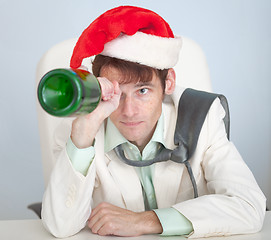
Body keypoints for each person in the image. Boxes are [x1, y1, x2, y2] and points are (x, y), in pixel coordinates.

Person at [41, 5, 266, 238]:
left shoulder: (203, 118)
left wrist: (144, 221)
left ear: (168, 83)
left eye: (142, 91)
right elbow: (60, 227)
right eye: (117, 93)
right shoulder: (79, 130)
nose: (128, 111)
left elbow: (249, 206)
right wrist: (82, 137)